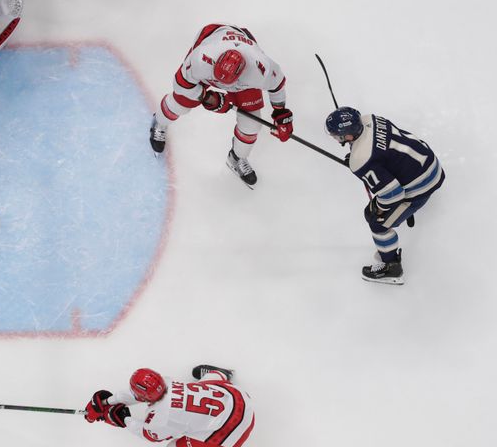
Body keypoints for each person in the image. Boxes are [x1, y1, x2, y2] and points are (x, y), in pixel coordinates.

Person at [150, 24, 293, 187]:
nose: (222, 86)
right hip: (212, 38)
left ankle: (237, 158)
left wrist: (281, 114)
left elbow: (278, 86)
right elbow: (180, 85)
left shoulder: (260, 69)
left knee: (252, 124)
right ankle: (159, 122)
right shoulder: (201, 58)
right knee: (181, 103)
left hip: (242, 70)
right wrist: (206, 97)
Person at [325, 107, 445, 284]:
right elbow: (382, 150)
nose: (336, 138)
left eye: (337, 135)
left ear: (348, 135)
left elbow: (393, 195)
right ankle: (406, 212)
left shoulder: (361, 160)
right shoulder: (370, 119)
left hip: (423, 183)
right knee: (380, 209)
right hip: (430, 163)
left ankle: (391, 267)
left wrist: (378, 209)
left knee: (376, 220)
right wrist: (359, 155)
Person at [84, 365, 254, 447]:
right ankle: (222, 375)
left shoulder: (161, 419)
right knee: (207, 384)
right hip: (237, 397)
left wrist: (124, 419)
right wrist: (107, 402)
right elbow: (138, 394)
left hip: (234, 430)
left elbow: (148, 434)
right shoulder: (165, 382)